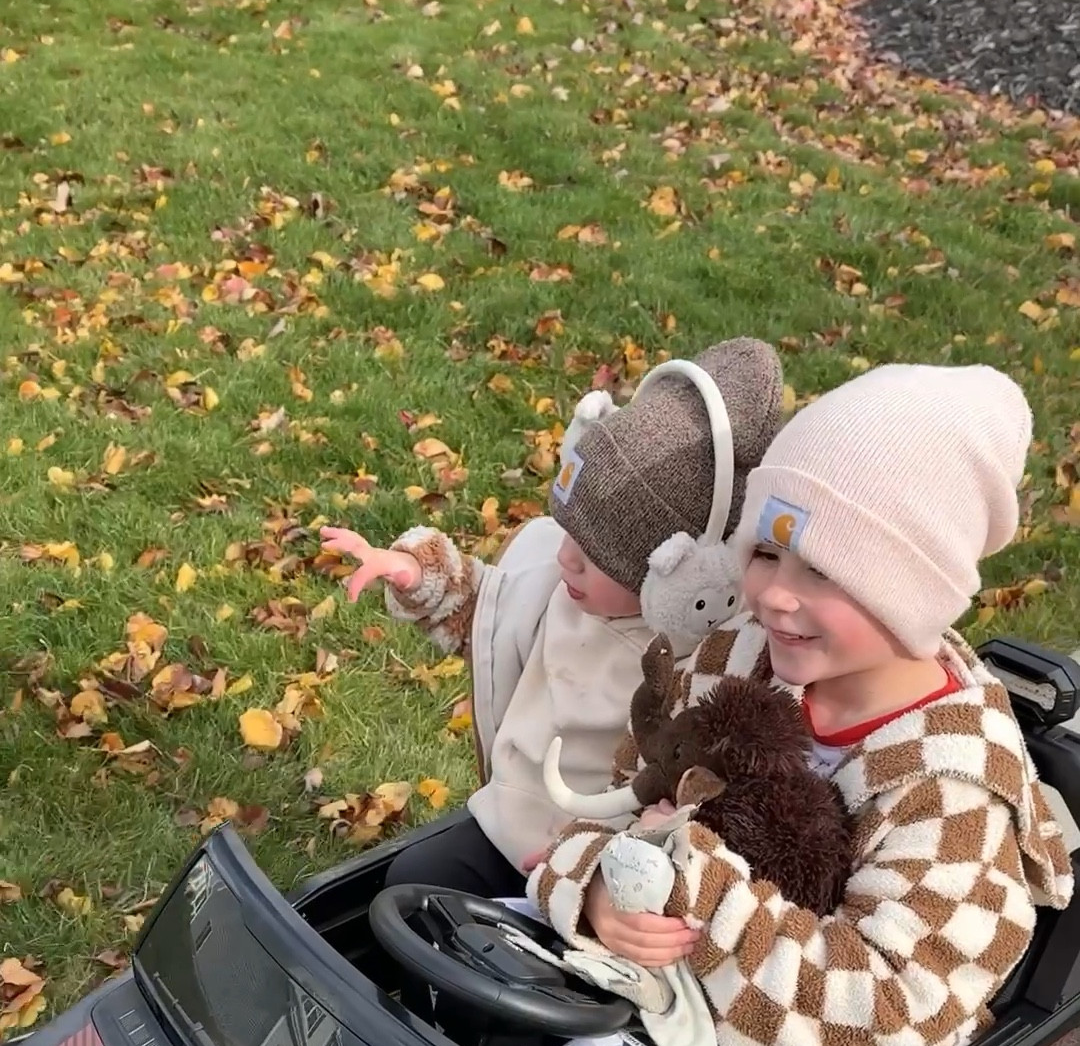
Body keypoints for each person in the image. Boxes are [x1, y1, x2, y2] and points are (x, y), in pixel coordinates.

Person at [527, 363, 1075, 1046]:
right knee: (486, 957)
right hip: (672, 973)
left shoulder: (956, 784)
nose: (775, 592)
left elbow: (880, 1003)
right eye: (767, 550)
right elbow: (632, 798)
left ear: (913, 591)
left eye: (823, 570)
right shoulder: (738, 655)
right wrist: (592, 888)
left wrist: (692, 893)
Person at [320, 339, 785, 897]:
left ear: (683, 580)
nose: (566, 556)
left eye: (593, 556)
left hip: (607, 869)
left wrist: (615, 852)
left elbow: (698, 786)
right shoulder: (557, 586)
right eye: (568, 533)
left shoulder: (703, 664)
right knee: (410, 888)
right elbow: (486, 611)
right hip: (505, 825)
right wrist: (416, 575)